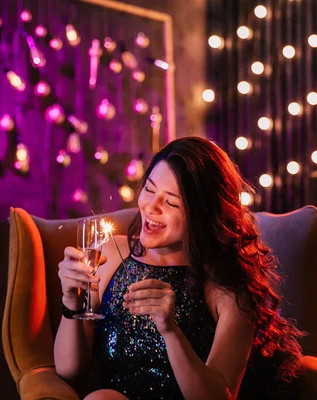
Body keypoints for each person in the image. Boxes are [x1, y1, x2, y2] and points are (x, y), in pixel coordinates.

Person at [55, 136, 304, 399]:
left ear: (203, 213)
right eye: (149, 190)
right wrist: (72, 301)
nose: (151, 207)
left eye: (171, 202)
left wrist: (171, 331)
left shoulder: (229, 289)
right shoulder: (108, 255)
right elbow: (69, 370)